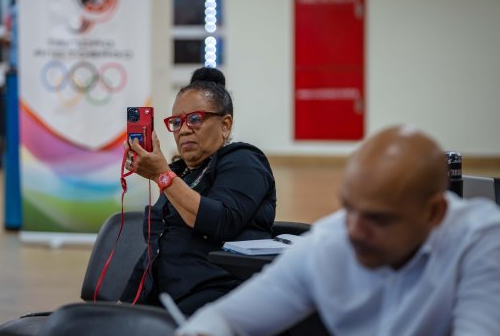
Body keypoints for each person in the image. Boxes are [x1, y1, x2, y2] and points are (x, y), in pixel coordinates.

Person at [177, 125, 500, 336]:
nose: (355, 230)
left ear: (435, 213)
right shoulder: (332, 241)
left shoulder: (480, 240)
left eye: (378, 219)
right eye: (349, 207)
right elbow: (225, 318)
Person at [121, 67, 276, 315]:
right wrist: (125, 304)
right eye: (176, 122)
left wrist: (162, 176)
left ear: (225, 125)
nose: (183, 130)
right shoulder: (180, 173)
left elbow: (219, 221)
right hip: (166, 301)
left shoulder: (244, 160)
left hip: (217, 299)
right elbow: (156, 250)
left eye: (195, 119)